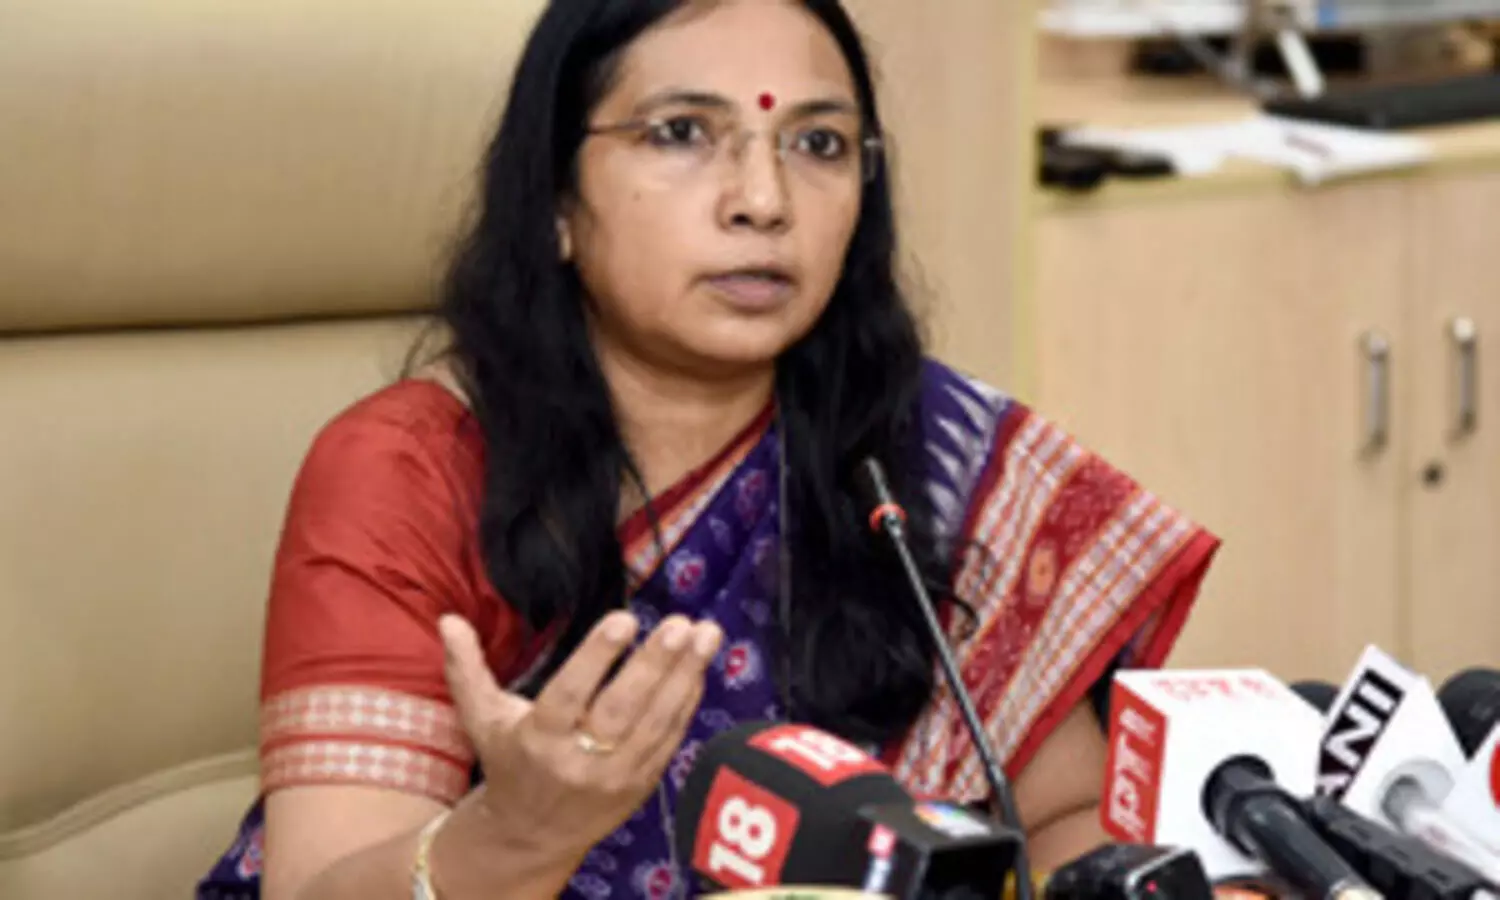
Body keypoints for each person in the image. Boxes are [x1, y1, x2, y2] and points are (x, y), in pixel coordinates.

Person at [198, 1, 1220, 898]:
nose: (763, 200)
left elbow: (1063, 817)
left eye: (818, 143)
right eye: (683, 133)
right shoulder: (412, 471)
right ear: (555, 201)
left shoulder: (927, 458)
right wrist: (515, 835)